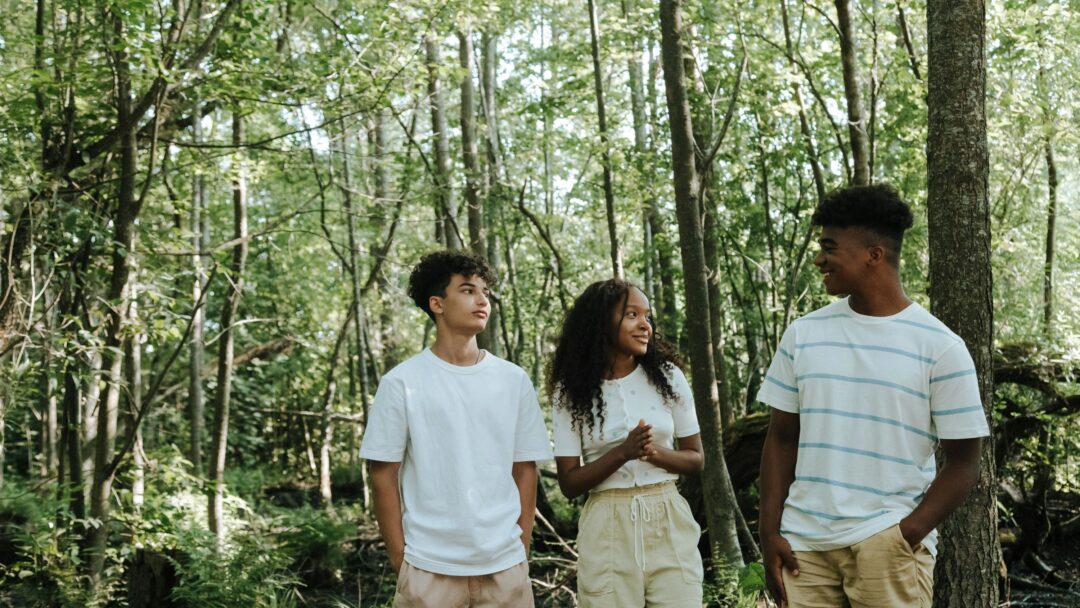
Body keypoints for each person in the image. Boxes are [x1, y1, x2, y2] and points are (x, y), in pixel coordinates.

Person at [757, 184, 989, 608]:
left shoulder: (941, 347)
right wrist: (769, 532)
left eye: (829, 247)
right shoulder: (803, 334)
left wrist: (906, 534)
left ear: (873, 255)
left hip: (887, 544)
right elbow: (782, 438)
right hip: (803, 549)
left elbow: (964, 462)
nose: (819, 259)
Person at [360, 250, 553, 608]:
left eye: (485, 292)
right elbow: (382, 474)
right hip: (428, 570)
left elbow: (525, 469)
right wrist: (402, 563)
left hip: (505, 569)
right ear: (437, 303)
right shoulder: (401, 382)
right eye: (467, 290)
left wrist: (521, 551)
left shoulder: (513, 380)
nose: (482, 300)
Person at [548, 278, 705, 608]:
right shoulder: (570, 391)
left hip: (668, 518)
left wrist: (652, 452)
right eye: (632, 315)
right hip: (607, 525)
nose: (645, 325)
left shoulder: (669, 377)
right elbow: (569, 483)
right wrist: (623, 452)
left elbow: (696, 459)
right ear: (600, 322)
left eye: (647, 316)